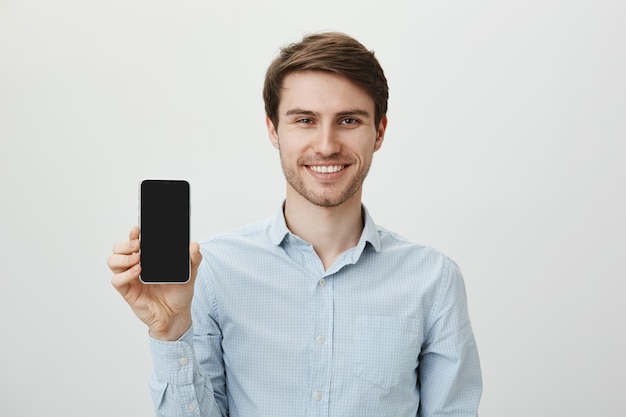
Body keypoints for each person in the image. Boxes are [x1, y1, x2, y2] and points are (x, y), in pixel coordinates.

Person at [108, 32, 482, 417]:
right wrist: (171, 332)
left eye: (348, 120)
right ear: (273, 130)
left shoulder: (433, 278)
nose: (326, 145)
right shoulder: (211, 271)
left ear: (380, 131)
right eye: (305, 120)